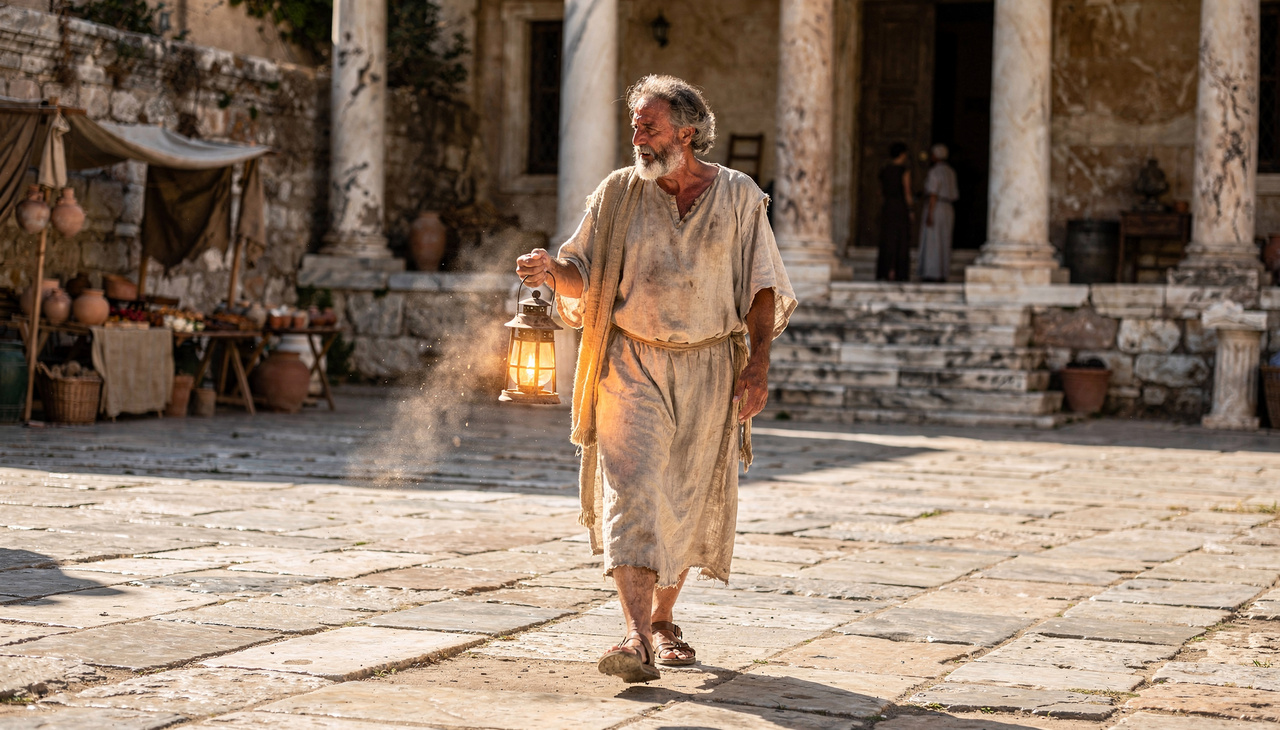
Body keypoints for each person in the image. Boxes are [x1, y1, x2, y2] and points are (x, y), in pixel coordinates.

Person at [515, 74, 796, 684]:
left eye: (650, 127)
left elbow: (763, 287)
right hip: (630, 363)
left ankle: (664, 621)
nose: (637, 137)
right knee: (634, 490)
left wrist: (758, 364)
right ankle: (636, 636)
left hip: (709, 367)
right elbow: (584, 273)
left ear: (686, 133)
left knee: (684, 498)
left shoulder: (739, 196)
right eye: (635, 126)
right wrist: (551, 271)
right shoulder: (618, 193)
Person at [918, 143, 959, 282]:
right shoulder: (951, 172)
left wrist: (930, 213)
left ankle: (932, 272)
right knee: (944, 240)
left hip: (937, 207)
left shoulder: (934, 171)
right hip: (948, 208)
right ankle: (942, 272)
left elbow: (933, 193)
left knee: (933, 241)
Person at [876, 142, 913, 282]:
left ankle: (886, 271)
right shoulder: (904, 171)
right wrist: (911, 209)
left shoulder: (884, 170)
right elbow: (907, 192)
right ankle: (898, 272)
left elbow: (880, 192)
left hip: (888, 207)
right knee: (900, 238)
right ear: (902, 154)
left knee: (887, 238)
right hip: (900, 207)